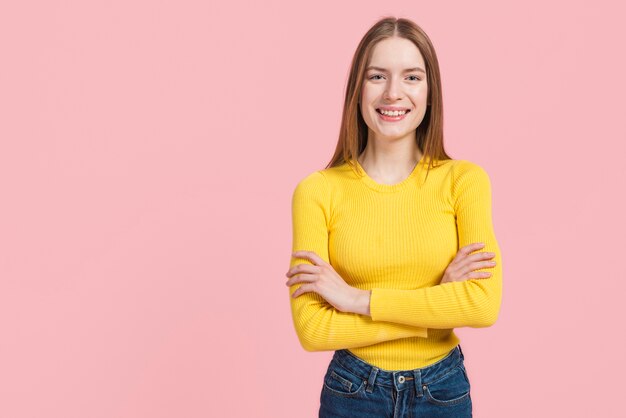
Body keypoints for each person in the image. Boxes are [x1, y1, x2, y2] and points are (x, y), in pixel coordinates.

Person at [284, 16, 502, 417]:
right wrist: (435, 307)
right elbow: (314, 330)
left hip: (442, 390)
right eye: (377, 76)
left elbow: (482, 305)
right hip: (353, 390)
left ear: (431, 91)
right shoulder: (316, 191)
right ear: (357, 90)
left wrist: (356, 300)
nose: (393, 93)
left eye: (412, 77)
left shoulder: (465, 182)